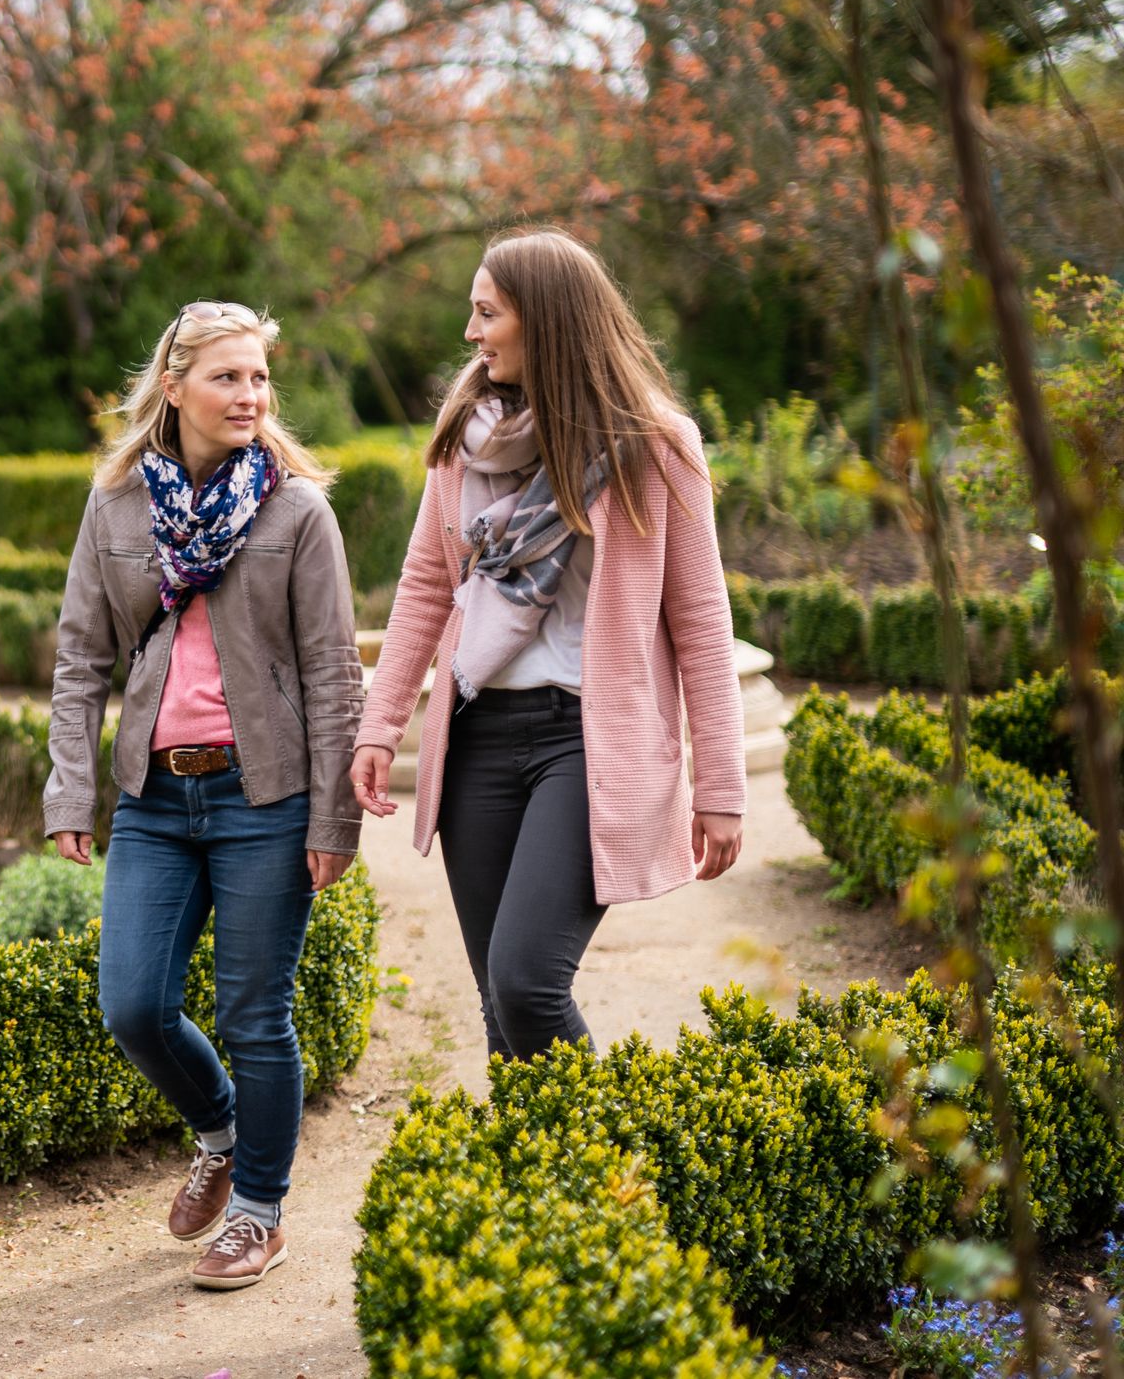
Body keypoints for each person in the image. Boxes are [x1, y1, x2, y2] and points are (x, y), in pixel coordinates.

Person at [350, 229, 746, 1065]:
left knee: (527, 979)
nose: (471, 332)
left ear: (547, 318)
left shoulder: (657, 447)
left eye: (487, 313)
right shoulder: (464, 442)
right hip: (477, 739)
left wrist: (721, 785)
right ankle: (538, 1155)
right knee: (500, 1004)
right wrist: (380, 725)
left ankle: (611, 1141)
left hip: (586, 743)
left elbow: (703, 621)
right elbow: (424, 588)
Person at [44, 300, 364, 1292]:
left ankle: (259, 1213)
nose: (249, 394)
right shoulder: (115, 508)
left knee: (255, 1013)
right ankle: (220, 1133)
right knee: (133, 1004)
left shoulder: (297, 512)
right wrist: (70, 791)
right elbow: (79, 660)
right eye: (228, 376)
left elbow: (334, 673)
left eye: (260, 377)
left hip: (264, 797)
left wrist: (334, 817)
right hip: (153, 797)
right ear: (174, 386)